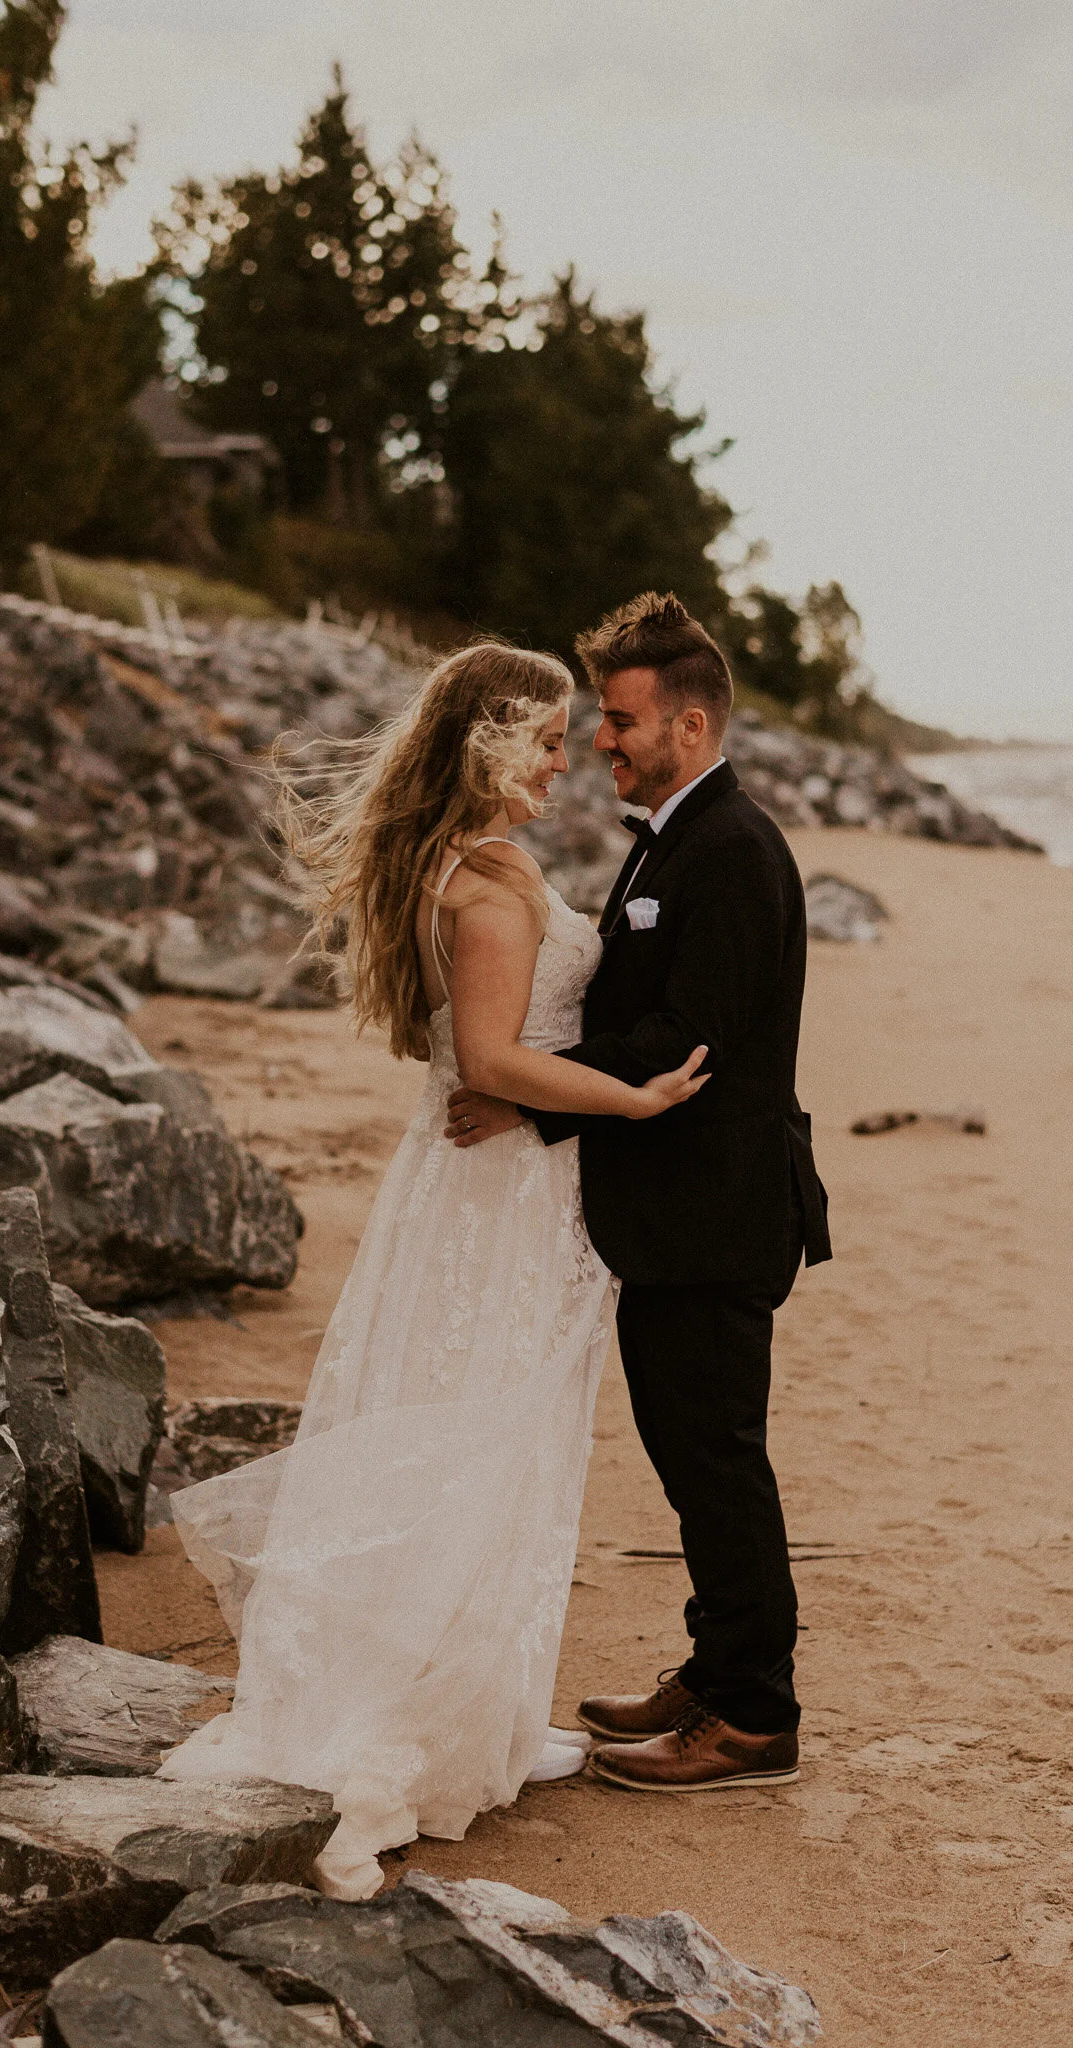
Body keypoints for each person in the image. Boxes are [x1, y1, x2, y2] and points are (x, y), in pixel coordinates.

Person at [157, 640, 707, 1899]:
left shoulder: (469, 866)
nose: (565, 763)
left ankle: (484, 1715)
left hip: (479, 1185)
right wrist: (632, 1098)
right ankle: (411, 1719)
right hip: (495, 1202)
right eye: (547, 738)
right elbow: (492, 1061)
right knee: (477, 1431)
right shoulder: (492, 888)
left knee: (485, 1428)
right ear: (485, 740)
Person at [447, 592, 830, 1793]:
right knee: (689, 1455)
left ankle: (752, 1716)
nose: (601, 740)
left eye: (618, 719)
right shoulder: (673, 835)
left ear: (691, 719)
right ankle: (714, 1672)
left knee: (716, 1459)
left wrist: (527, 1092)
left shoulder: (730, 848)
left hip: (714, 1217)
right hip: (672, 1216)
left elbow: (685, 1037)